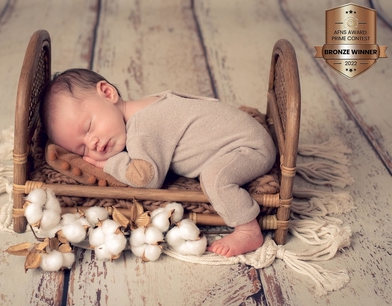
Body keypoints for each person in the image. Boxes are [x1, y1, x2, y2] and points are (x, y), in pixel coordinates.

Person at [40, 68, 276, 257]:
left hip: (249, 149)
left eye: (89, 127)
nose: (93, 143)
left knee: (215, 178)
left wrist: (111, 165)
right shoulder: (144, 106)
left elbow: (146, 178)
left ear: (107, 92)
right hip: (245, 136)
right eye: (81, 148)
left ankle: (248, 229)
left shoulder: (142, 129)